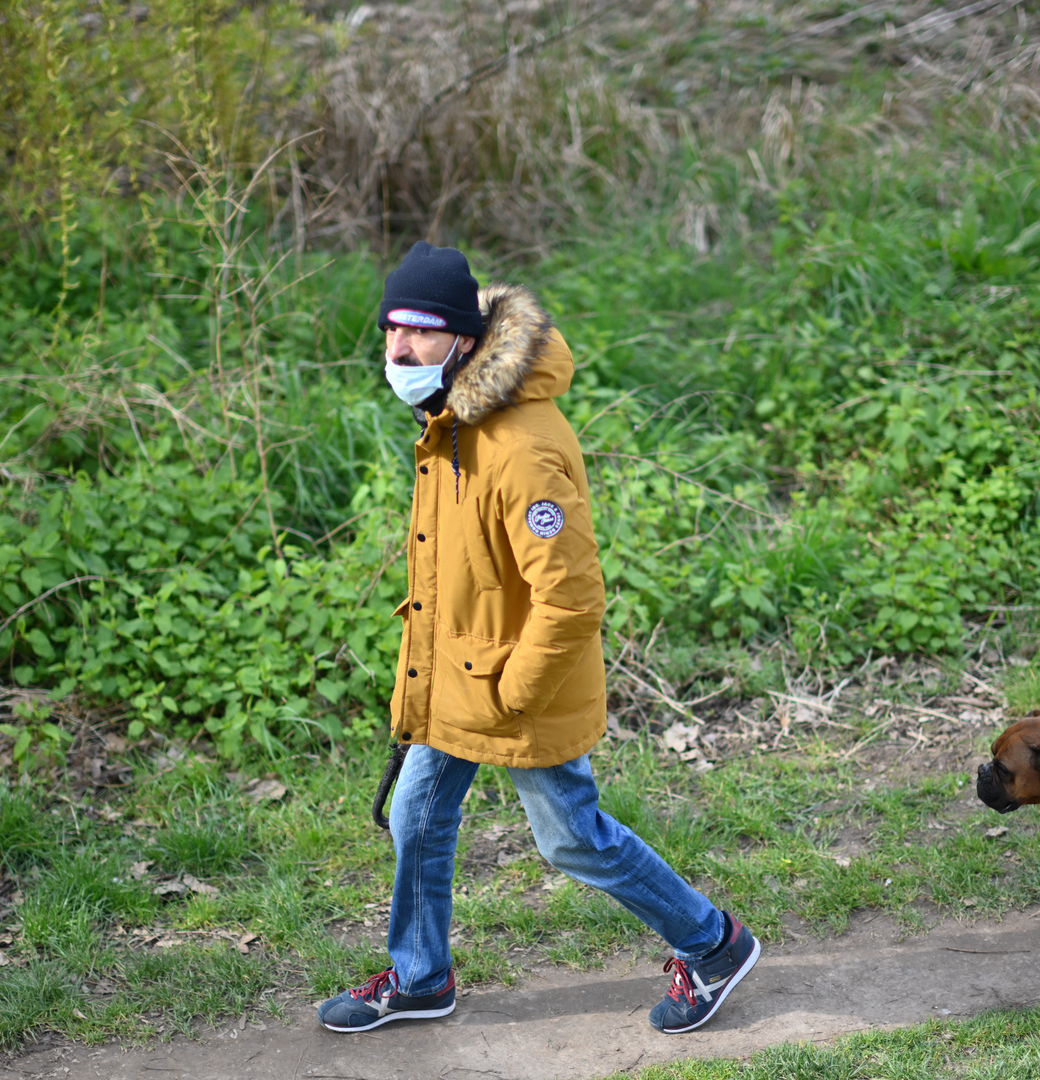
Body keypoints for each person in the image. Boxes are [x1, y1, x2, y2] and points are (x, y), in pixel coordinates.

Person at [316, 242, 759, 1035]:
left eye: (415, 332)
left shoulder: (516, 444)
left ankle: (712, 942)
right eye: (388, 330)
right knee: (418, 813)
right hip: (462, 670)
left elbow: (571, 595)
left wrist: (512, 695)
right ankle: (421, 979)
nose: (396, 350)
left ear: (460, 338)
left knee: (572, 841)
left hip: (518, 686)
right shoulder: (451, 421)